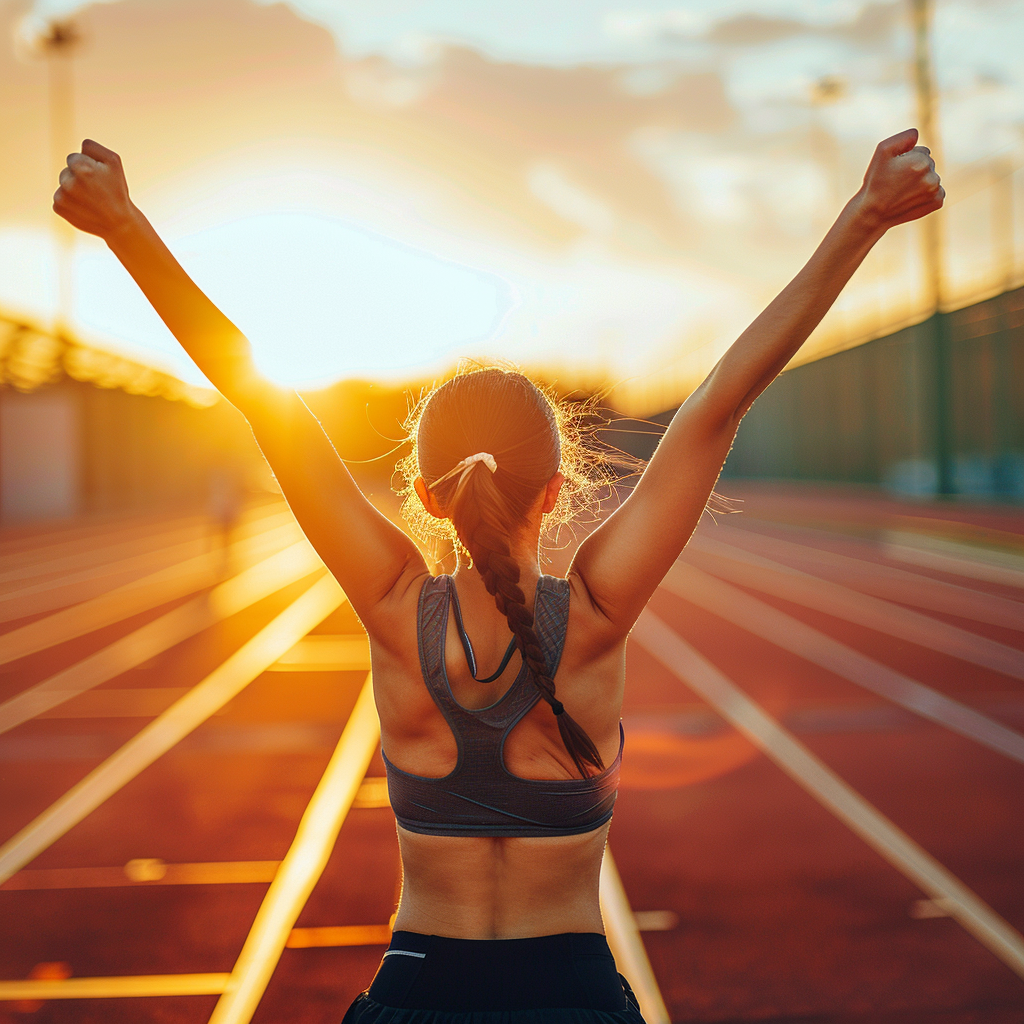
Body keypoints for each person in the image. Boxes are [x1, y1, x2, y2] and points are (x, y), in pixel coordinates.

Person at [52, 130, 942, 1022]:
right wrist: (864, 219)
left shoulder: (398, 607)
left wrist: (126, 228)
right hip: (574, 998)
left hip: (419, 989)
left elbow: (262, 400)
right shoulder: (595, 613)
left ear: (430, 500)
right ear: (555, 491)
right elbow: (717, 405)